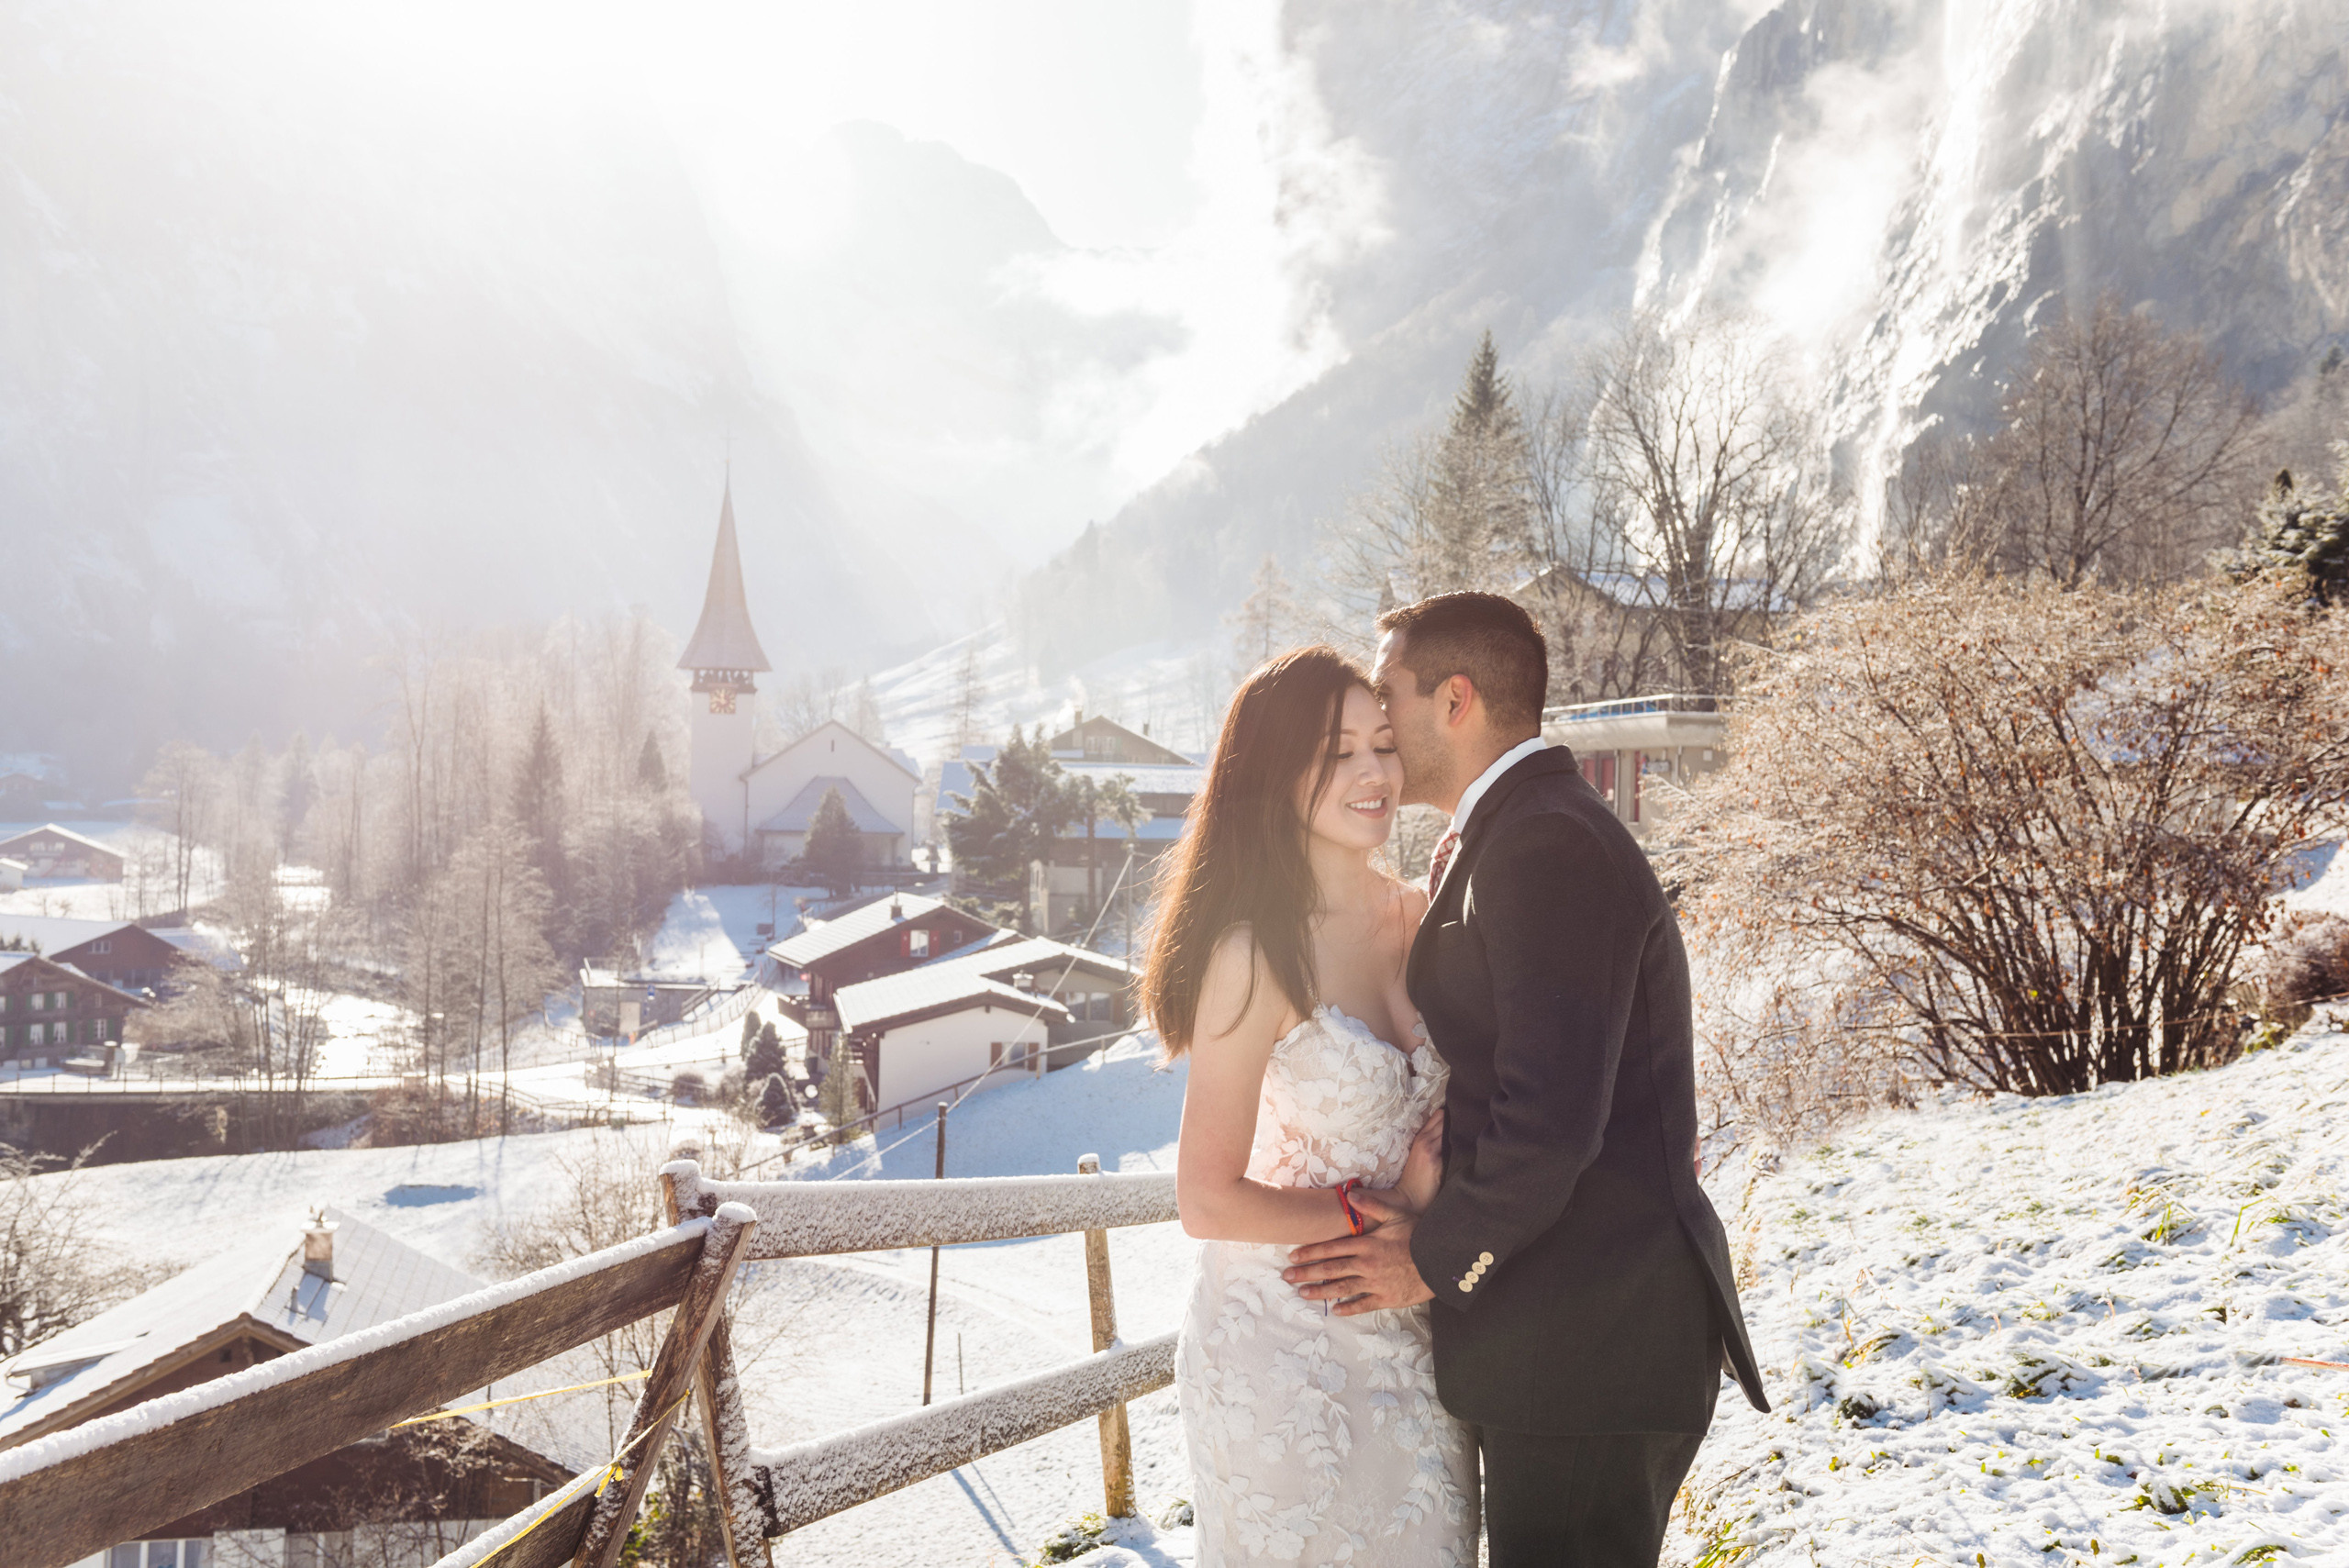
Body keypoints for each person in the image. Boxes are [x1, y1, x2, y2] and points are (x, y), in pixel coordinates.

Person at [1280, 591, 1770, 1565]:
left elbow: (1549, 1120)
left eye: (1390, 694)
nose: (1378, 720)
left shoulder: (1546, 842)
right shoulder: (1510, 829)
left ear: (1453, 700)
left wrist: (1429, 1255)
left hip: (1594, 1345)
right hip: (1567, 1340)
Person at [1150, 645, 1479, 1567]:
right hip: (1279, 1343)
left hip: (1411, 1333)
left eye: (1382, 744)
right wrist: (1381, 1208)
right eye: (1339, 752)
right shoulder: (1253, 953)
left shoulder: (1426, 916)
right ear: (1276, 772)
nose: (1373, 772)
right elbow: (1205, 1197)